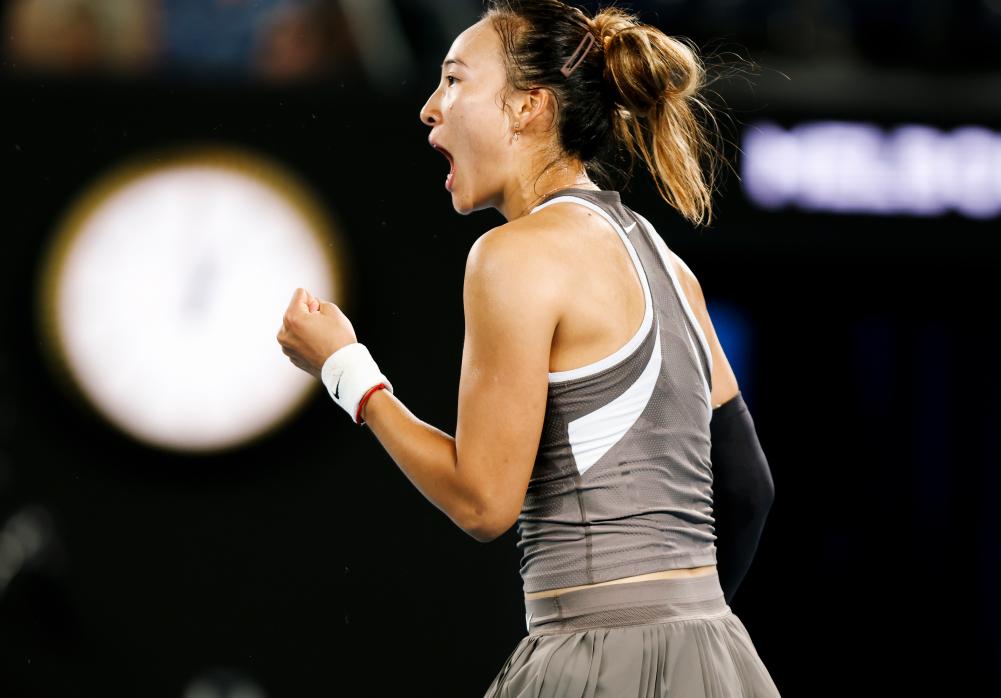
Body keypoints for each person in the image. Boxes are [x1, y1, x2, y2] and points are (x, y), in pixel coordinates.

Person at [276, 0, 779, 695]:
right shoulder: (671, 266)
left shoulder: (511, 255)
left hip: (593, 659)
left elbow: (482, 504)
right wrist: (678, 627)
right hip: (719, 657)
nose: (429, 107)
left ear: (527, 107)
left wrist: (344, 368)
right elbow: (749, 487)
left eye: (454, 80)